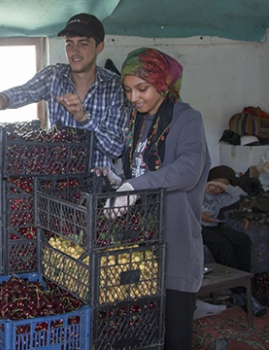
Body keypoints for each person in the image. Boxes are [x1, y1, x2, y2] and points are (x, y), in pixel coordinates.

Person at [101, 48, 211, 349]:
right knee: (140, 333)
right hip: (141, 245)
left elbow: (188, 170)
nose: (134, 97)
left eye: (142, 88)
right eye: (128, 90)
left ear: (162, 84)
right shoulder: (136, 122)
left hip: (175, 244)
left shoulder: (187, 120)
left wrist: (135, 187)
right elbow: (139, 170)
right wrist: (120, 182)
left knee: (175, 337)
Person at [0, 13, 128, 170]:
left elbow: (116, 149)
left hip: (98, 186)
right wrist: (3, 99)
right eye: (69, 44)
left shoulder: (115, 87)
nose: (74, 51)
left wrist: (84, 119)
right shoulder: (54, 76)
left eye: (83, 44)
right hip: (59, 184)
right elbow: (27, 91)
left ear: (99, 47)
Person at [202, 165, 266, 317]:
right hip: (195, 227)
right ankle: (241, 292)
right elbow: (184, 205)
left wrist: (221, 185)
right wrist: (199, 214)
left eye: (223, 184)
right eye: (215, 181)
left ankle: (241, 290)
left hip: (212, 227)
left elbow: (240, 195)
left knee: (242, 239)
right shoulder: (197, 191)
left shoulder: (223, 197)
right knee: (222, 245)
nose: (217, 188)